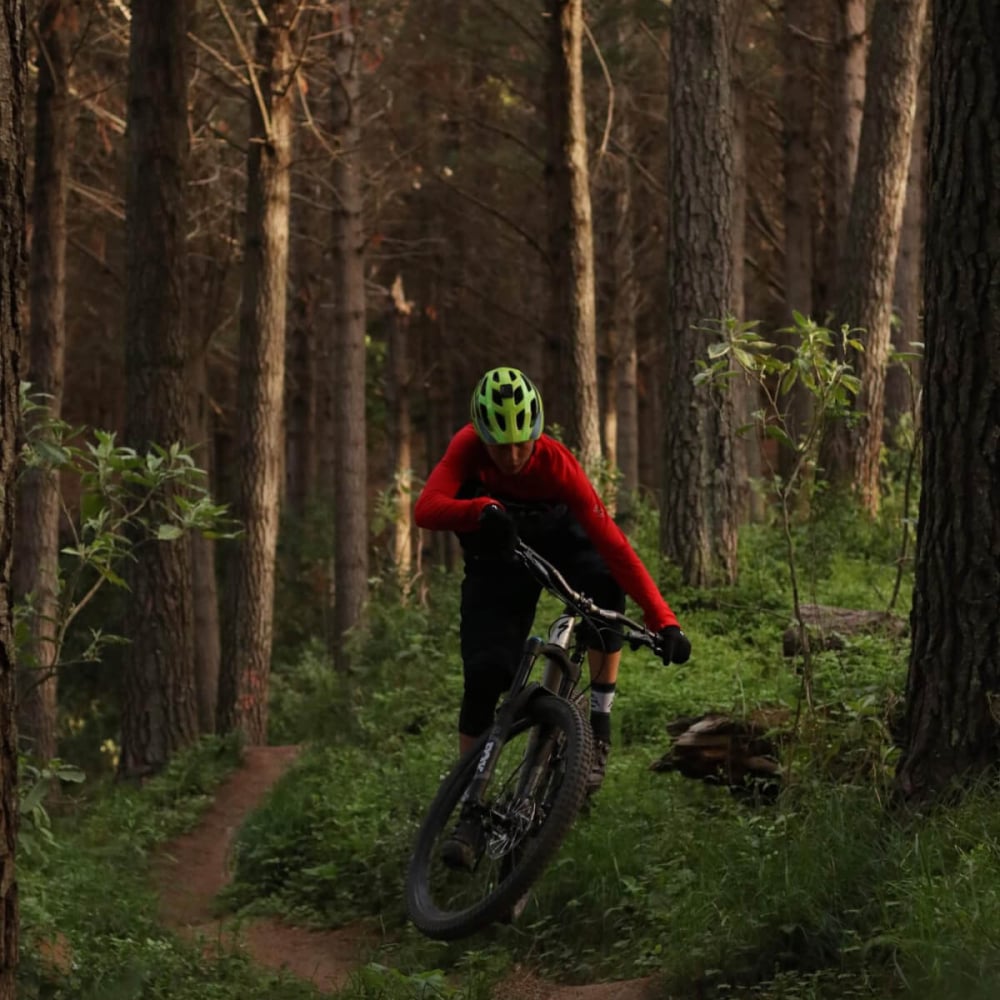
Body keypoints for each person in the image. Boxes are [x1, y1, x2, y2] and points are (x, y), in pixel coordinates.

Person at [414, 366, 690, 869]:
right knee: (485, 676)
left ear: (536, 434)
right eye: (502, 447)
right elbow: (426, 507)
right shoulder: (466, 448)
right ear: (483, 435)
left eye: (522, 444)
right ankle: (470, 809)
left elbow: (615, 546)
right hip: (496, 561)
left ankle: (598, 723)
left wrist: (665, 620)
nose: (514, 456)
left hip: (559, 543)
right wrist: (480, 510)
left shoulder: (556, 464)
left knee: (605, 588)